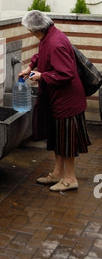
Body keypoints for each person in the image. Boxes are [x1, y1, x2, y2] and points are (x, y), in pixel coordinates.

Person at [19, 10, 90, 192]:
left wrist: (42, 76)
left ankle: (70, 179)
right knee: (59, 140)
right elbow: (42, 54)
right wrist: (30, 67)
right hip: (58, 100)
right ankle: (58, 173)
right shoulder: (49, 36)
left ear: (37, 29)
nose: (30, 34)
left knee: (66, 142)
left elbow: (66, 74)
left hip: (67, 103)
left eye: (30, 31)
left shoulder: (55, 42)